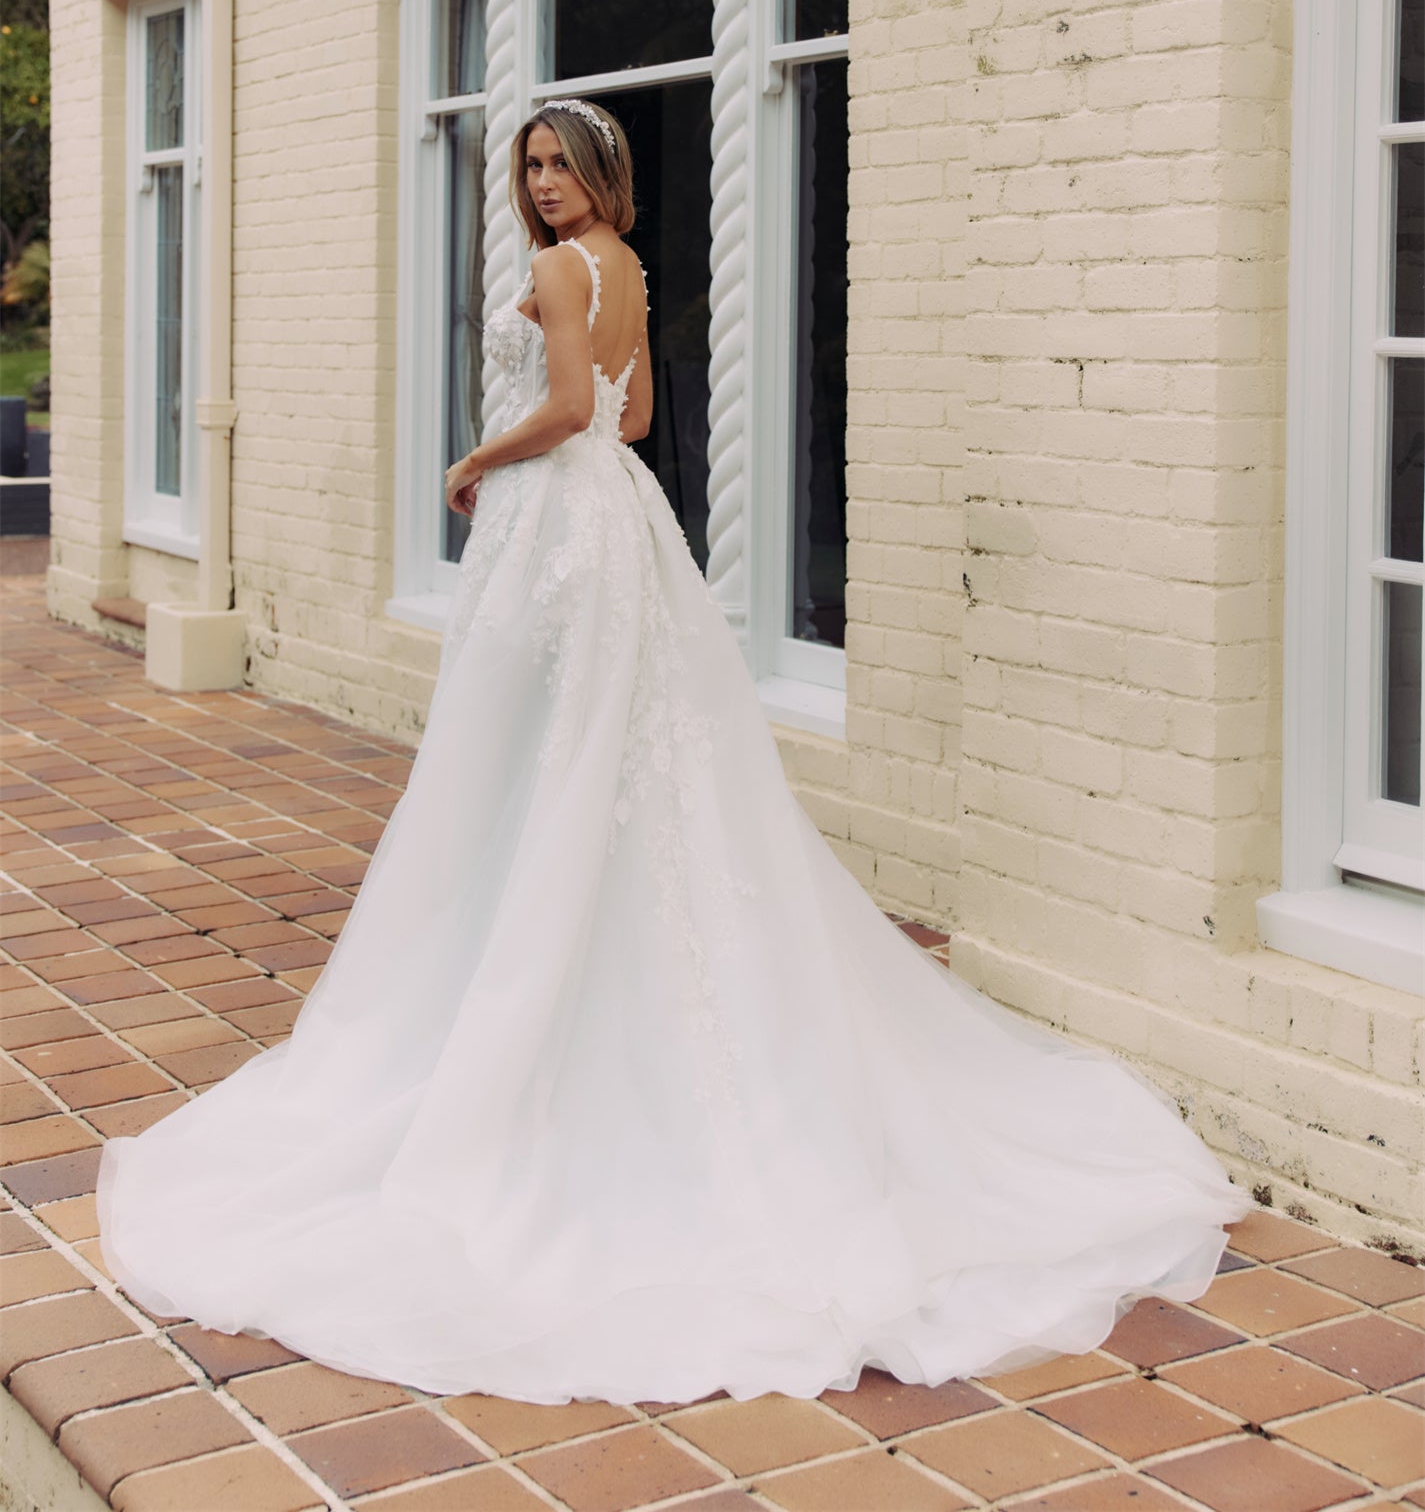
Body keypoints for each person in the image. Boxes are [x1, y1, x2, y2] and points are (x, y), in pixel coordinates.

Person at [96, 97, 1248, 1404]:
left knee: (540, 755)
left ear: (599, 172)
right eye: (525, 164)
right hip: (619, 521)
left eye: (556, 162)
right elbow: (632, 427)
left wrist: (478, 455)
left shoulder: (555, 270)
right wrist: (558, 431)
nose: (538, 182)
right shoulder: (631, 266)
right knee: (604, 754)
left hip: (556, 528)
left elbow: (579, 404)